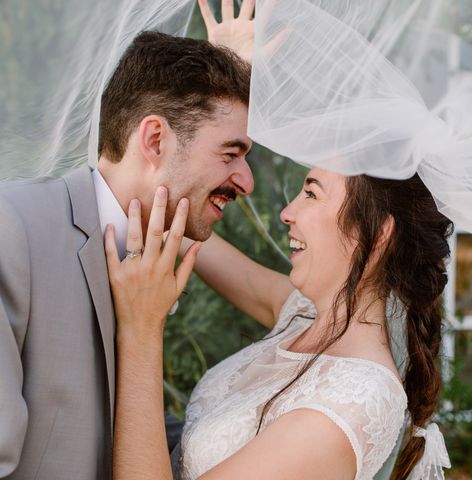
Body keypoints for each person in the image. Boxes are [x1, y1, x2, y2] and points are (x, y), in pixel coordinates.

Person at [0, 30, 252, 478]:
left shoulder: (151, 265)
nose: (246, 181)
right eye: (231, 153)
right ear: (155, 140)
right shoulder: (12, 229)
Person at [107, 165, 453, 478]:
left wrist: (142, 328)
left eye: (311, 194)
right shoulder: (304, 313)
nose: (288, 213)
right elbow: (198, 247)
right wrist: (147, 196)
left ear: (377, 233)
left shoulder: (348, 405)